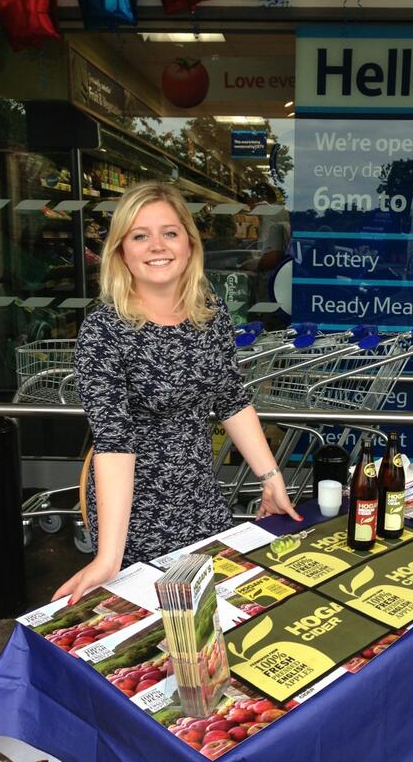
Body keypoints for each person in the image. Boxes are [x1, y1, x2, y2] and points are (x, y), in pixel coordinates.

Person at [53, 182, 301, 604]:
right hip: (134, 510)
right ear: (121, 251)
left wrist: (271, 477)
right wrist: (110, 557)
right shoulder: (103, 330)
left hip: (201, 495)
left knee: (214, 619)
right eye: (139, 235)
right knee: (157, 632)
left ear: (189, 243)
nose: (156, 246)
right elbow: (114, 443)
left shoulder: (209, 310)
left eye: (169, 232)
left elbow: (230, 397)